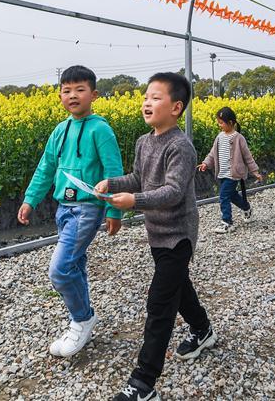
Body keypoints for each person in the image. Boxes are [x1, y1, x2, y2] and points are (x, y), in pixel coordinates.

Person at [98, 73, 214, 401]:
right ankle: (203, 330)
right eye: (146, 97)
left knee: (160, 302)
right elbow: (139, 177)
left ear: (176, 107)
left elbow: (174, 191)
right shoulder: (143, 142)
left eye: (156, 97)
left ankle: (143, 383)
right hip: (156, 232)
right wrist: (114, 184)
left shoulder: (181, 146)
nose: (147, 102)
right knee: (179, 288)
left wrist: (134, 201)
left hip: (178, 234)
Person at [18, 65, 124, 358]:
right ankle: (84, 317)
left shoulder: (100, 129)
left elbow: (113, 171)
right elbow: (46, 167)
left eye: (80, 90)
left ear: (94, 94)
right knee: (74, 264)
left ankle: (82, 319)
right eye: (67, 90)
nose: (73, 95)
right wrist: (30, 199)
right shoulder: (60, 130)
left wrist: (114, 212)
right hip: (63, 208)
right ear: (60, 95)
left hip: (87, 208)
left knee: (60, 270)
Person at [198, 106, 262, 233]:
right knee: (232, 196)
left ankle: (227, 222)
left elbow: (247, 156)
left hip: (233, 174)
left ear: (231, 123)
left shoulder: (239, 138)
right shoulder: (219, 137)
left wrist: (255, 171)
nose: (219, 125)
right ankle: (247, 208)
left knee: (223, 196)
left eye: (221, 122)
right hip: (222, 173)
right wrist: (206, 163)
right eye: (219, 122)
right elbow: (212, 153)